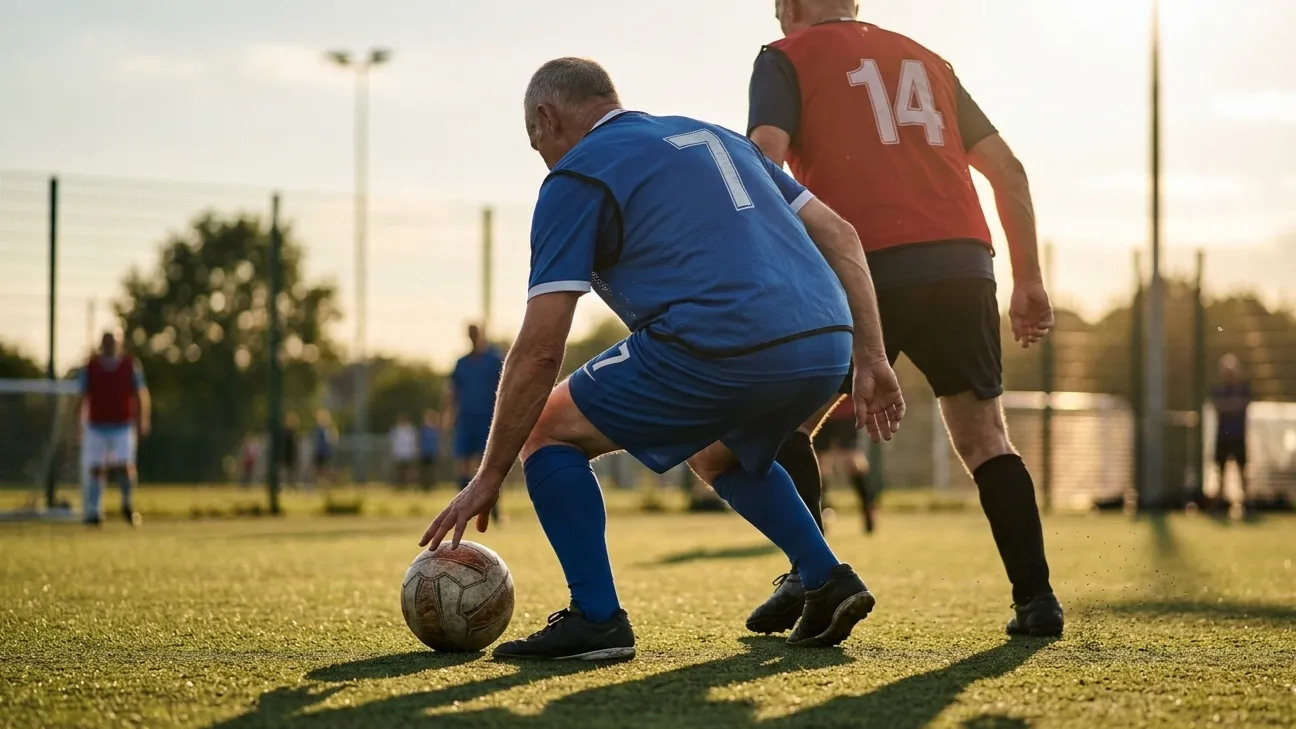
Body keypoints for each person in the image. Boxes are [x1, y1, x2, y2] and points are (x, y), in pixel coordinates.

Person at [420, 57, 904, 661]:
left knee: (545, 428)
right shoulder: (720, 138)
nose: (542, 157)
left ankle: (596, 618)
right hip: (828, 338)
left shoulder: (578, 174)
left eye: (535, 141)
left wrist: (489, 475)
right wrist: (872, 355)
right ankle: (825, 577)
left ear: (547, 118)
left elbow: (540, 349)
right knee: (717, 452)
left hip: (725, 337)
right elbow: (842, 236)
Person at [744, 0, 1062, 637]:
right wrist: (1028, 278)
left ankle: (812, 577)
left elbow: (761, 162)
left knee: (781, 424)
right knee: (985, 437)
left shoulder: (784, 57)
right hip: (962, 262)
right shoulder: (928, 60)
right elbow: (1008, 171)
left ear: (791, 5)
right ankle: (1037, 600)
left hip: (862, 262)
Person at [77, 330, 150, 526]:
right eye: (106, 342)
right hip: (95, 425)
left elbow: (140, 393)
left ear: (119, 344)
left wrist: (143, 418)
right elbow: (82, 396)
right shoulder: (91, 366)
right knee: (96, 468)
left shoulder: (129, 364)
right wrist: (77, 423)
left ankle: (126, 504)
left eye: (113, 342)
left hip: (122, 425)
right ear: (102, 344)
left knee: (124, 465)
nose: (109, 346)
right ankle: (94, 511)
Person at [444, 324, 505, 517]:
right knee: (462, 461)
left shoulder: (493, 360)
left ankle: (492, 511)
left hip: (488, 419)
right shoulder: (462, 363)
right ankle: (463, 509)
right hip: (466, 418)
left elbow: (504, 386)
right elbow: (452, 391)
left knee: (486, 465)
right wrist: (448, 415)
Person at [813, 397, 877, 533]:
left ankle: (868, 508)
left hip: (846, 412)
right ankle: (820, 514)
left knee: (852, 461)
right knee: (818, 465)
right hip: (820, 409)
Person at [1210, 354, 1251, 513]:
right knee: (1220, 468)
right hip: (1224, 434)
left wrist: (1229, 407)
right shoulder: (1218, 390)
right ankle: (1221, 499)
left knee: (1242, 467)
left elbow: (1241, 405)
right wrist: (1232, 406)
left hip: (1238, 434)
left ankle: (1245, 500)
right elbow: (1219, 406)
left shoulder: (1243, 389)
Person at [390, 413, 419, 487]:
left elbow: (413, 441)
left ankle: (408, 483)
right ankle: (400, 483)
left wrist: (414, 450)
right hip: (399, 453)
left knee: (408, 469)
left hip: (408, 452)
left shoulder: (411, 430)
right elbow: (393, 442)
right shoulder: (396, 430)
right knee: (400, 469)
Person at [311, 409, 338, 487]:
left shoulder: (327, 430)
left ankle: (328, 481)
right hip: (320, 452)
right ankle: (321, 482)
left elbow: (333, 440)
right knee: (319, 469)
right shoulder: (319, 430)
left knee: (323, 469)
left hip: (324, 452)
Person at [419, 409, 442, 492]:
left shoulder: (435, 430)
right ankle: (424, 485)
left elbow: (437, 441)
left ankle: (431, 485)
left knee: (432, 470)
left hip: (432, 452)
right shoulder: (423, 429)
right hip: (424, 452)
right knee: (424, 470)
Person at [279, 412, 300, 489]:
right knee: (285, 471)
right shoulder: (285, 433)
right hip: (286, 455)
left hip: (291, 455)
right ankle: (286, 484)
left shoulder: (293, 433)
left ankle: (290, 484)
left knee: (291, 471)